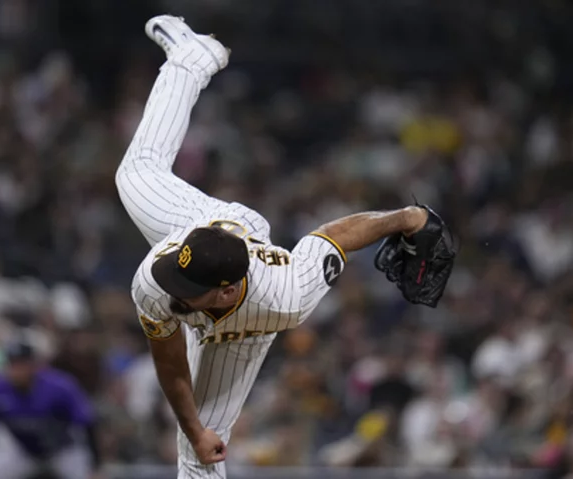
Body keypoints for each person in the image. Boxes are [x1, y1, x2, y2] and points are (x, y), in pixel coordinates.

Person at [115, 15, 431, 478]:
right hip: (201, 229)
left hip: (245, 305)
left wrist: (403, 219)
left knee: (200, 449)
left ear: (223, 293)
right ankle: (191, 59)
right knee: (135, 172)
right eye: (175, 281)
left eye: (186, 288)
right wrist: (407, 218)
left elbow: (331, 237)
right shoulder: (155, 279)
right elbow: (170, 364)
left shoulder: (283, 297)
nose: (172, 291)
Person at [0, 336, 100, 479]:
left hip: (63, 451)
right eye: (12, 363)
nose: (16, 369)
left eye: (21, 363)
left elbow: (88, 424)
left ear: (34, 365)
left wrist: (96, 466)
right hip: (24, 452)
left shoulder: (60, 386)